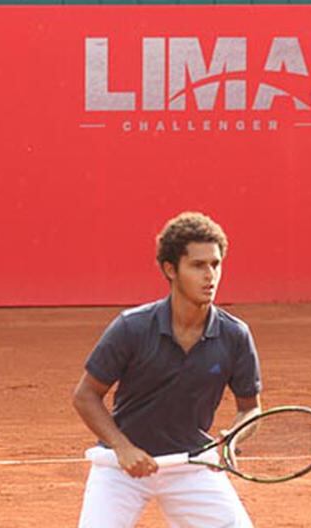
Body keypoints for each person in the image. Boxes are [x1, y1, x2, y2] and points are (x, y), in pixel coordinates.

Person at [73, 211, 261, 527]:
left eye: (215, 264)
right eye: (198, 265)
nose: (210, 276)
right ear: (170, 269)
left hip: (192, 465)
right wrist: (123, 447)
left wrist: (235, 437)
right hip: (122, 468)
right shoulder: (131, 328)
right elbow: (85, 395)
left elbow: (251, 408)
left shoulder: (235, 335)